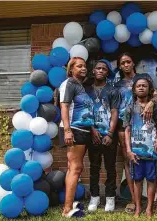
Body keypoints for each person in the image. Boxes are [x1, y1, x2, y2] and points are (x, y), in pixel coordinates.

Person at [114, 52, 156, 213]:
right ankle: (133, 200)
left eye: (128, 61)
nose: (126, 65)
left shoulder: (143, 78)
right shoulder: (117, 86)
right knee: (128, 160)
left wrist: (151, 103)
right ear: (119, 66)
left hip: (144, 125)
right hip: (123, 126)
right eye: (122, 62)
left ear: (133, 63)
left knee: (150, 159)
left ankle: (154, 202)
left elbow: (155, 94)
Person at [124, 74, 157, 217]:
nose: (141, 87)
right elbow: (127, 130)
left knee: (151, 179)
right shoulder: (130, 108)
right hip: (136, 152)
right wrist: (129, 150)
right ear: (134, 90)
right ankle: (138, 208)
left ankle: (149, 208)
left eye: (144, 85)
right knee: (137, 180)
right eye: (138, 86)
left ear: (149, 89)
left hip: (152, 151)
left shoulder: (156, 108)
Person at [58, 57, 94, 218]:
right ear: (71, 70)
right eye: (79, 66)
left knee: (74, 167)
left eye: (84, 66)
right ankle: (67, 209)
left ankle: (68, 204)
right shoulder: (69, 84)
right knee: (76, 167)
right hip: (73, 129)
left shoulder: (80, 86)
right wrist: (67, 130)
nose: (83, 68)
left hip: (83, 130)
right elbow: (64, 106)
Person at [85, 59, 121, 212]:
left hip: (108, 135)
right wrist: (92, 130)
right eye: (98, 68)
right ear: (93, 71)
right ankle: (94, 197)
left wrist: (111, 134)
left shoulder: (113, 90)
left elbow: (115, 112)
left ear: (108, 73)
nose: (100, 71)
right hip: (93, 134)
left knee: (110, 167)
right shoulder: (86, 90)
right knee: (94, 167)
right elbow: (85, 111)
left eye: (104, 69)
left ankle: (110, 198)